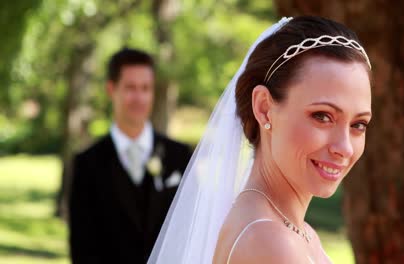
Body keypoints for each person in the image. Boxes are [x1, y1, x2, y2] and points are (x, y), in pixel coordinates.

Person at [148, 16, 372, 264]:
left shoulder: (298, 232)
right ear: (264, 108)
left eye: (358, 125)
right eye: (322, 116)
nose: (344, 147)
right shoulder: (269, 241)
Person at [69, 48, 192, 264]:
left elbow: (190, 233)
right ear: (111, 89)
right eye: (130, 88)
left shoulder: (180, 156)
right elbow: (82, 249)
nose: (139, 98)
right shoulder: (86, 164)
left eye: (146, 88)